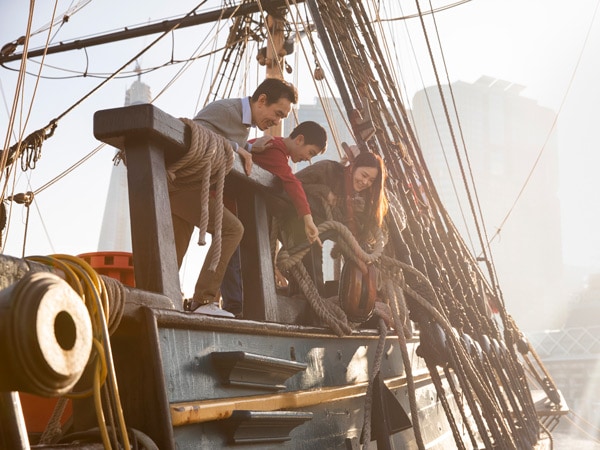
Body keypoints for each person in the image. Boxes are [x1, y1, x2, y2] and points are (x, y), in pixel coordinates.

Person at [170, 78, 298, 315]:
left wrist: (248, 148)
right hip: (181, 185)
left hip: (190, 188)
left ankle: (163, 299)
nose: (277, 121)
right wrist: (237, 148)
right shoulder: (229, 111)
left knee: (176, 250)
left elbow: (225, 141)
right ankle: (202, 300)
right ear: (262, 100)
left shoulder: (243, 121)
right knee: (233, 229)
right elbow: (196, 133)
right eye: (278, 113)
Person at [220, 120, 328, 318]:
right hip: (230, 205)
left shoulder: (274, 147)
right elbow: (291, 182)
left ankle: (236, 304)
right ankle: (234, 306)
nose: (308, 159)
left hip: (236, 207)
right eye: (310, 152)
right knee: (233, 255)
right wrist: (308, 219)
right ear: (300, 139)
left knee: (236, 254)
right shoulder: (273, 149)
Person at [282, 150, 388, 294]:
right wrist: (324, 191)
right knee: (312, 239)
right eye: (364, 175)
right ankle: (313, 295)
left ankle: (353, 298)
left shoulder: (363, 197)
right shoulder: (327, 169)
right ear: (353, 166)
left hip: (325, 228)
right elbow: (293, 183)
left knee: (360, 247)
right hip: (297, 220)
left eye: (371, 180)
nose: (365, 182)